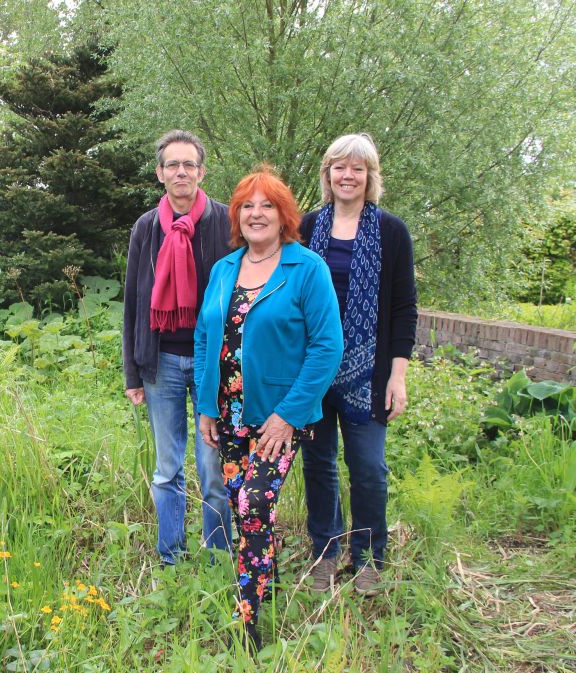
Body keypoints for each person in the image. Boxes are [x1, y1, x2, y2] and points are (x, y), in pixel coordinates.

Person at [195, 166, 343, 649]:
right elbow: (204, 339)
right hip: (229, 414)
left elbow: (327, 347)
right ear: (237, 216)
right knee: (245, 511)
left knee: (254, 503)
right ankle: (269, 585)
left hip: (278, 417)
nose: (256, 214)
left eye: (267, 206)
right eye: (247, 206)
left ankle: (250, 625)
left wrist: (289, 415)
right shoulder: (224, 269)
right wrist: (206, 406)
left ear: (284, 216)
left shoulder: (307, 268)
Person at [300, 133, 418, 596]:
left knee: (368, 467)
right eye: (340, 167)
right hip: (313, 369)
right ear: (327, 174)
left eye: (358, 168)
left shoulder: (391, 231)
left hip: (369, 374)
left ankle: (369, 557)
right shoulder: (307, 227)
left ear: (370, 177)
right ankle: (325, 553)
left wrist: (398, 376)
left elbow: (404, 307)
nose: (348, 175)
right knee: (319, 464)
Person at [122, 129, 234, 565]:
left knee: (212, 468)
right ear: (160, 173)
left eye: (189, 164)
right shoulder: (146, 227)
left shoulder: (225, 222)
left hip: (214, 364)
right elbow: (133, 302)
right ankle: (171, 557)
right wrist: (132, 373)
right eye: (173, 164)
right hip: (161, 362)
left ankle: (218, 557)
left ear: (202, 172)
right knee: (167, 469)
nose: (181, 172)